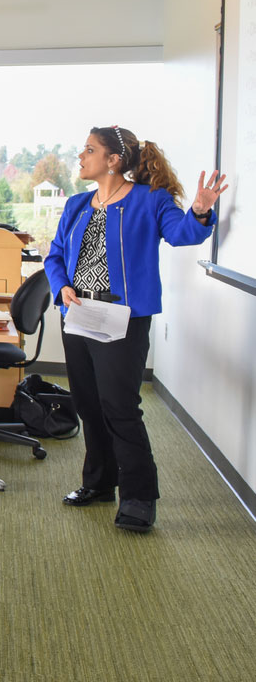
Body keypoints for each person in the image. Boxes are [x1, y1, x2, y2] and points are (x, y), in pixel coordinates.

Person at [45, 125, 227, 533]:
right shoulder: (76, 204)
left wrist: (200, 210)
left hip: (122, 322)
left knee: (120, 410)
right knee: (88, 404)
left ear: (113, 160)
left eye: (89, 150)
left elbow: (183, 235)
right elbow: (54, 256)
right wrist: (63, 287)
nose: (81, 156)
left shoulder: (150, 201)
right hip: (77, 317)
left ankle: (140, 498)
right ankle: (98, 483)